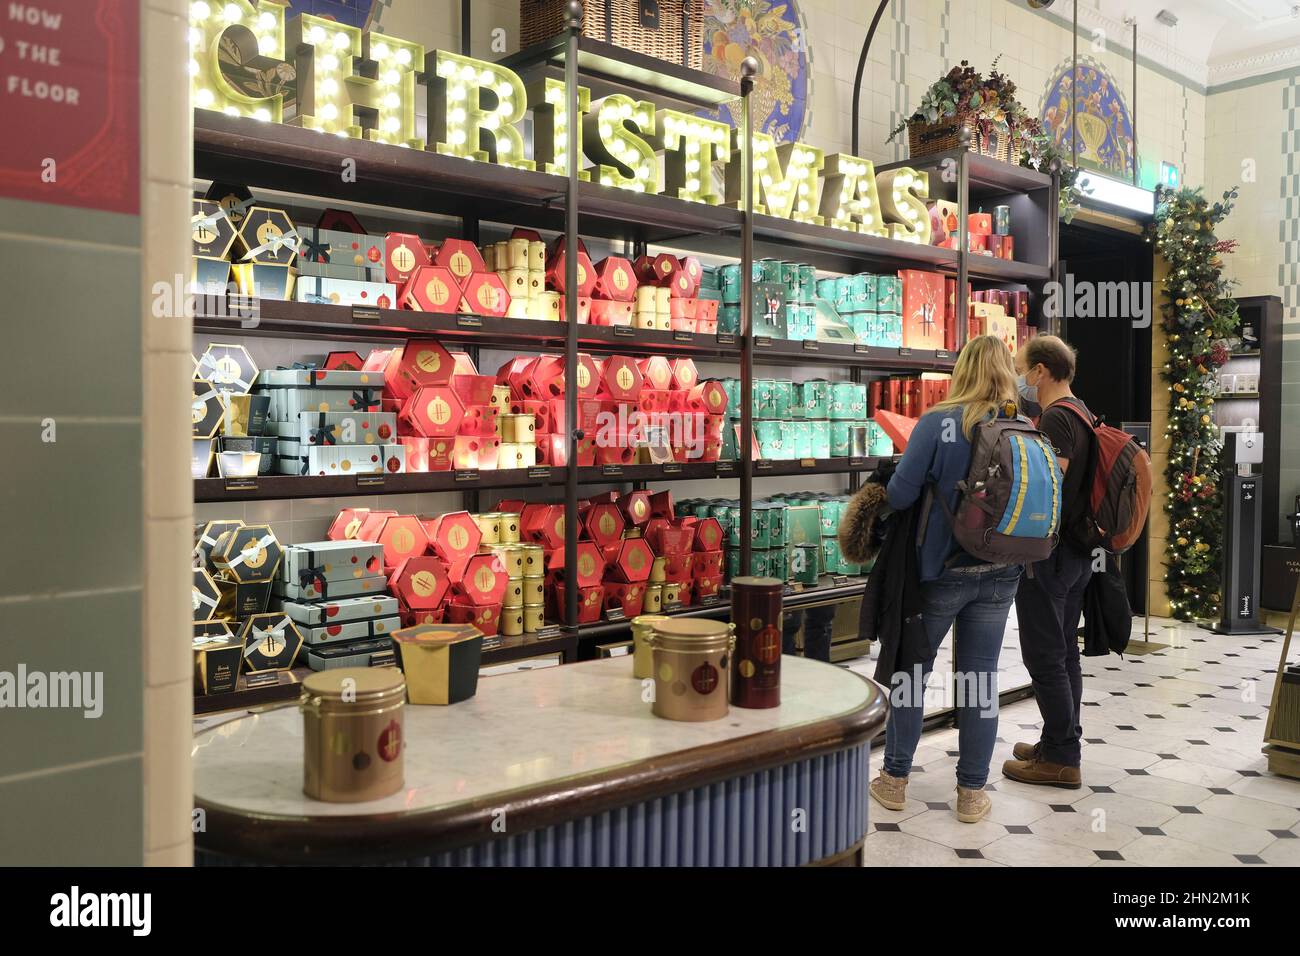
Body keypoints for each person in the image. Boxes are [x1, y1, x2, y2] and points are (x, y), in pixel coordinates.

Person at [867, 335, 1025, 824]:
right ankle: (972, 793)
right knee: (980, 679)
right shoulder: (1022, 426)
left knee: (911, 673)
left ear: (962, 371)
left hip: (940, 570)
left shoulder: (940, 422)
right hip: (1002, 571)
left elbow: (899, 494)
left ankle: (894, 780)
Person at [1002, 335, 1095, 788]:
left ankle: (1061, 757)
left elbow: (1048, 485)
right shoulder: (1082, 411)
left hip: (1051, 554)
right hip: (1077, 552)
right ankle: (1059, 741)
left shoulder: (1057, 416)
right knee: (1064, 652)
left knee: (1044, 656)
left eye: (1022, 368)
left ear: (1040, 371)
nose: (1020, 377)